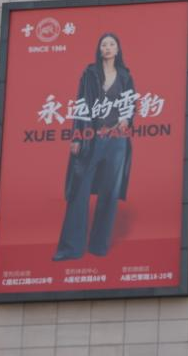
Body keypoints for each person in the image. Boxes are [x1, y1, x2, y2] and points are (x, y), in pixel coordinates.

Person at [53, 32, 134, 261]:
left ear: (117, 49)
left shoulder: (125, 76)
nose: (107, 47)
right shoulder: (89, 74)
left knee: (109, 194)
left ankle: (99, 246)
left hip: (117, 141)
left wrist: (126, 119)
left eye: (111, 44)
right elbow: (81, 105)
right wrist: (77, 137)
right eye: (104, 44)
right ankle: (70, 249)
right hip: (92, 137)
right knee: (79, 192)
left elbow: (131, 104)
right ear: (99, 49)